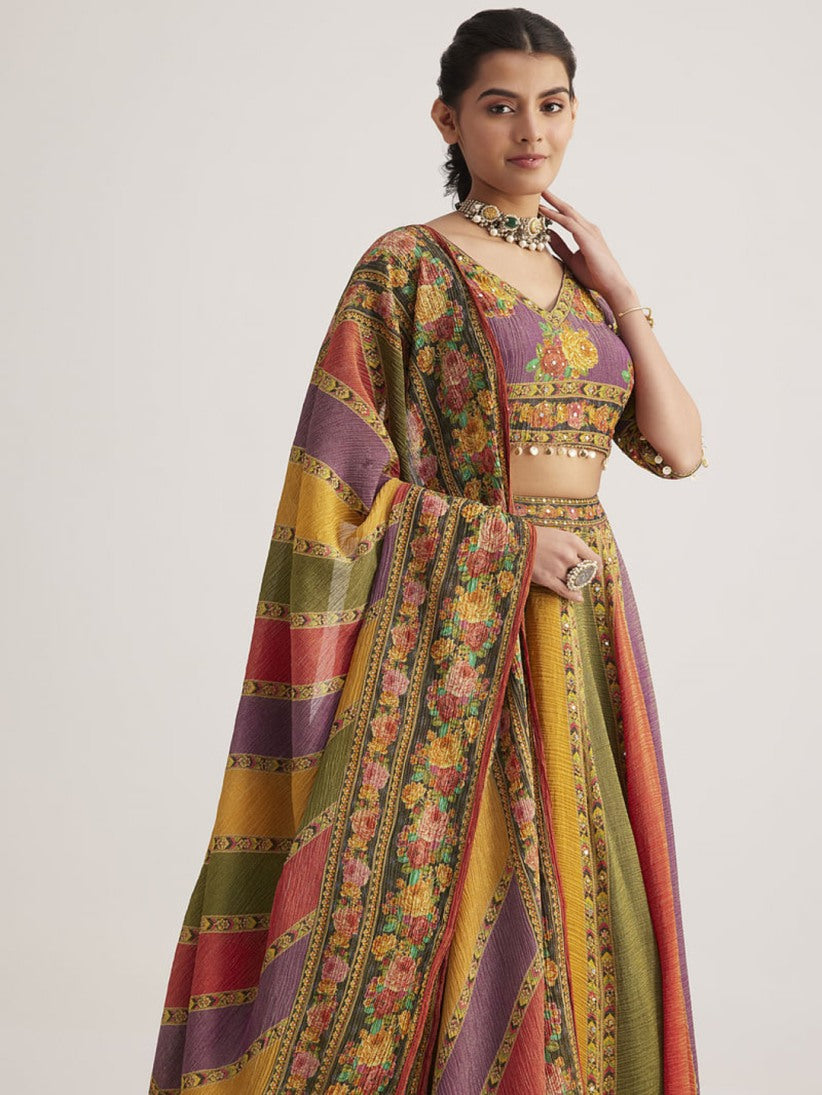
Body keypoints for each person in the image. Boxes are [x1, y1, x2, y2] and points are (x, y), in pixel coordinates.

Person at [148, 9, 705, 1094]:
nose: (531, 131)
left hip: (585, 625)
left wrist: (621, 285)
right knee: (482, 889)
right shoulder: (404, 266)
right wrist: (501, 549)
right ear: (449, 120)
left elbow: (679, 449)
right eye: (501, 107)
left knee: (594, 896)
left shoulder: (587, 287)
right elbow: (338, 481)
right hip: (460, 632)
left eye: (553, 106)